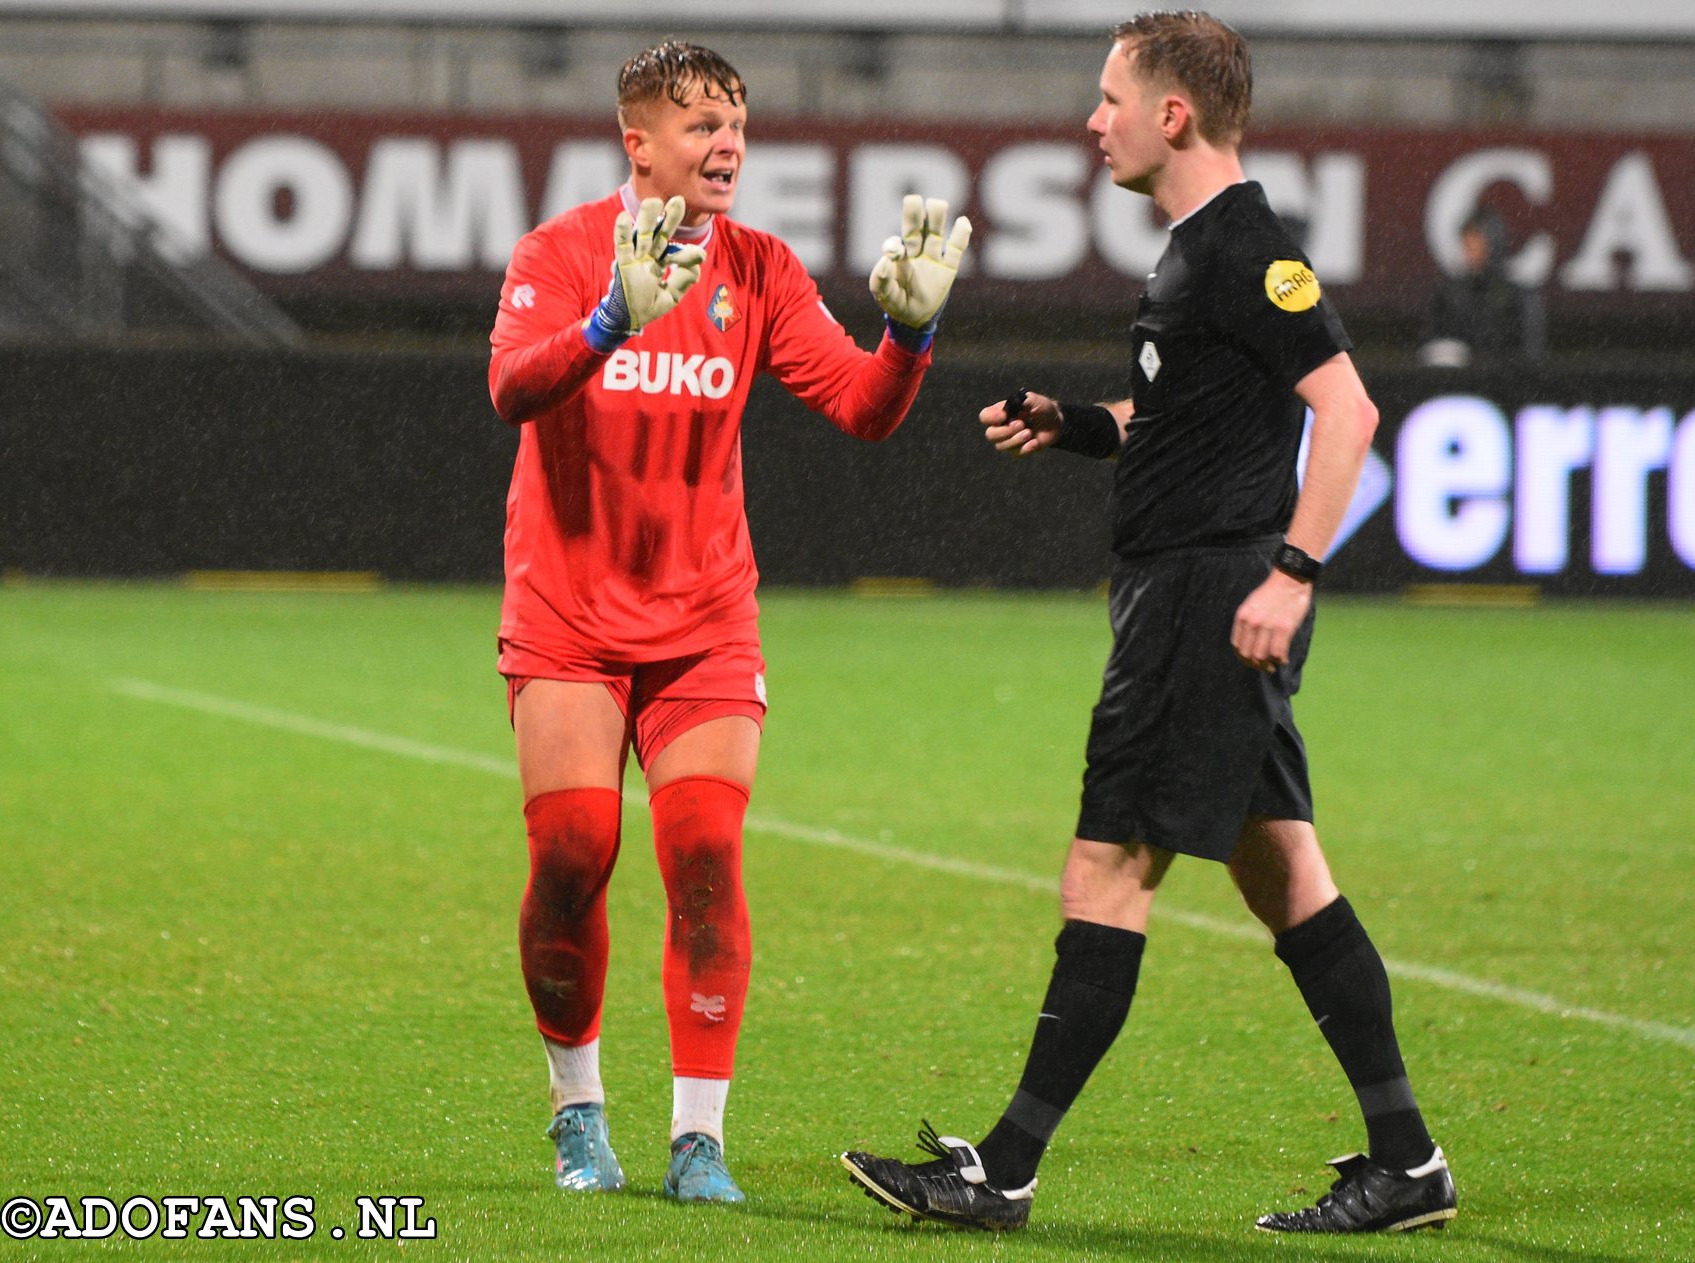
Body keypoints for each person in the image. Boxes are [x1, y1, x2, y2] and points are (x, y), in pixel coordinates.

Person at [839, 11, 1457, 1235]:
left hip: (1207, 602)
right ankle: (1409, 1165)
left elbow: (1349, 413)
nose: (1092, 119)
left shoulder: (1242, 250)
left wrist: (1293, 573)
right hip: (1202, 593)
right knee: (1285, 875)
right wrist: (1079, 423)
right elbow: (1190, 418)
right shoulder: (1196, 252)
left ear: (1173, 114)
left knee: (1107, 867)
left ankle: (1002, 1171)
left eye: (1109, 97)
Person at [486, 40, 969, 1204]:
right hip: (568, 620)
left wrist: (907, 338)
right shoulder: (559, 256)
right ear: (636, 143)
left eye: (737, 125)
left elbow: (861, 408)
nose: (728, 145)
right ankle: (577, 1111)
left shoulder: (757, 270)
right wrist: (610, 319)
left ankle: (699, 1137)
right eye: (701, 125)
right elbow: (510, 386)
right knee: (570, 855)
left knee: (702, 853)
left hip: (703, 622)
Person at [1419, 207, 1546, 366]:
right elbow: (1432, 342)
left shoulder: (1518, 296)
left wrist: (1488, 364)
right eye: (1467, 244)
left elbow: (1529, 351)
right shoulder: (1449, 294)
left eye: (1477, 244)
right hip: (1457, 384)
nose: (1471, 252)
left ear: (1493, 244)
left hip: (1505, 383)